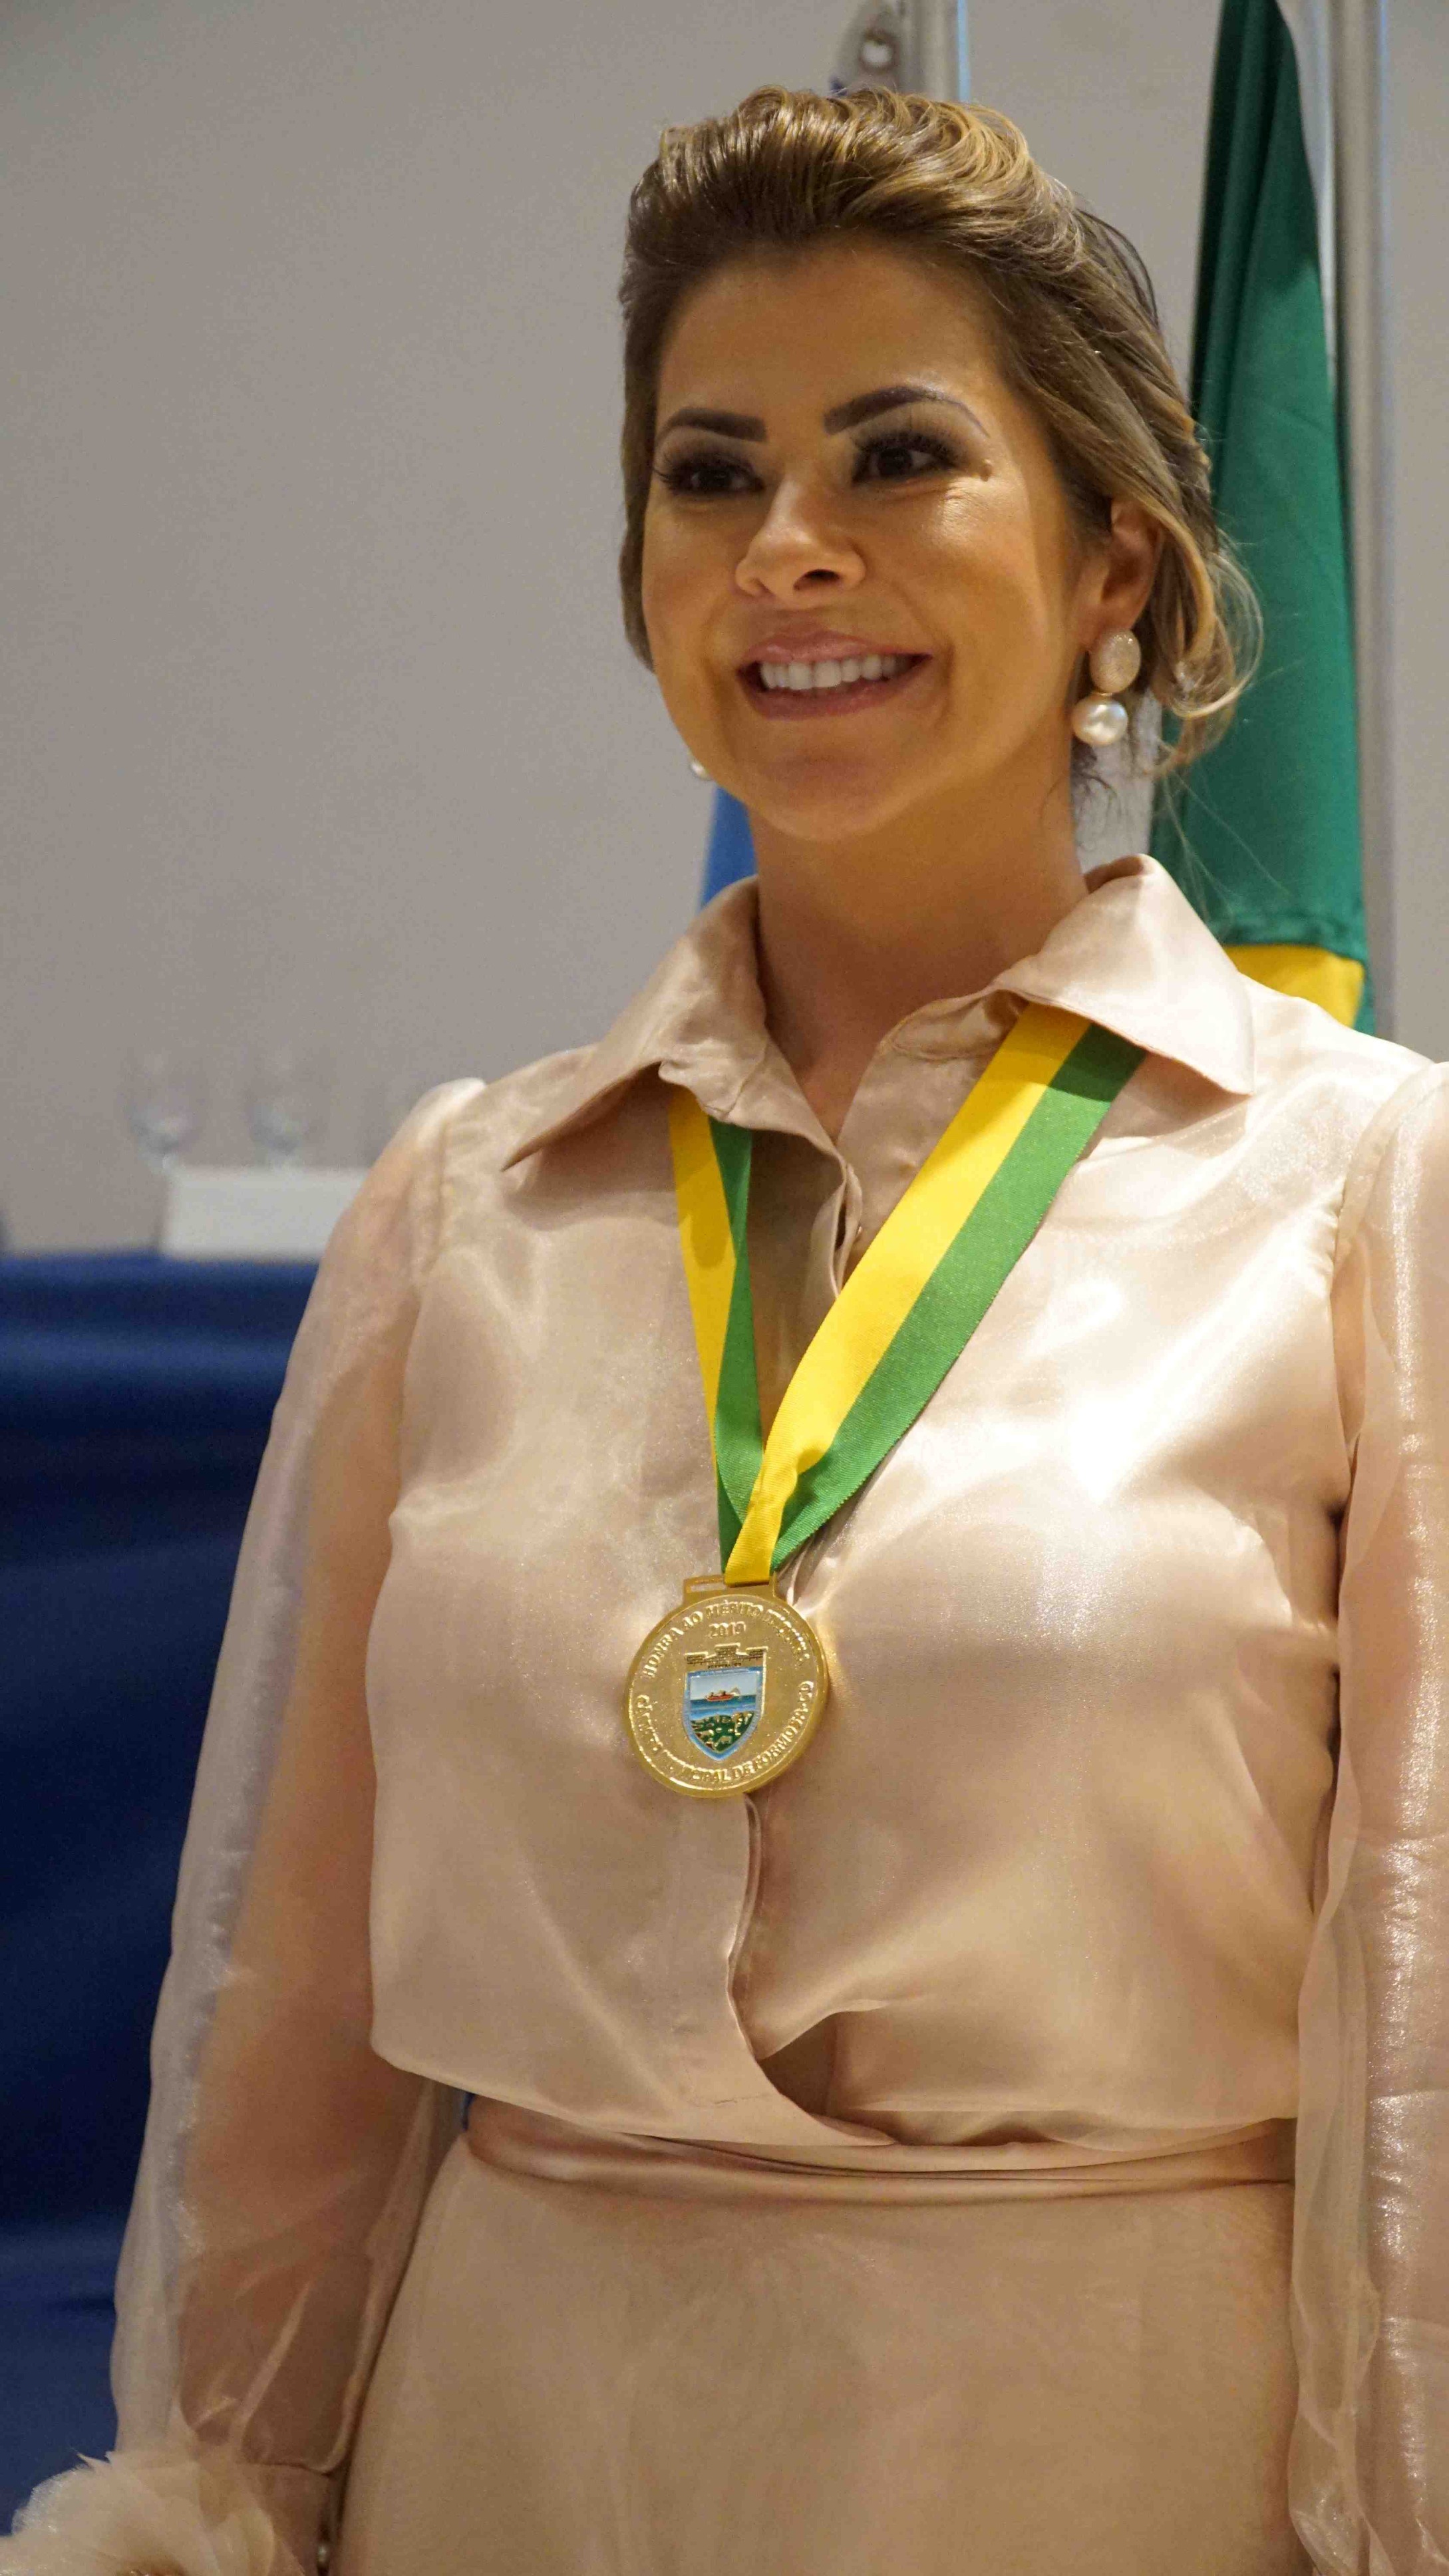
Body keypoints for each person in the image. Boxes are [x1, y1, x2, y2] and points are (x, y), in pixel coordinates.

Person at [7, 80, 1446, 2576]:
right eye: (710, 474)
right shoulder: (464, 1205)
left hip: (1102, 2462)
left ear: (1112, 564)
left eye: (899, 458)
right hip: (505, 2457)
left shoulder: (1365, 1190)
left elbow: (1419, 2013)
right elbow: (291, 2003)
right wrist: (222, 2493)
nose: (789, 547)